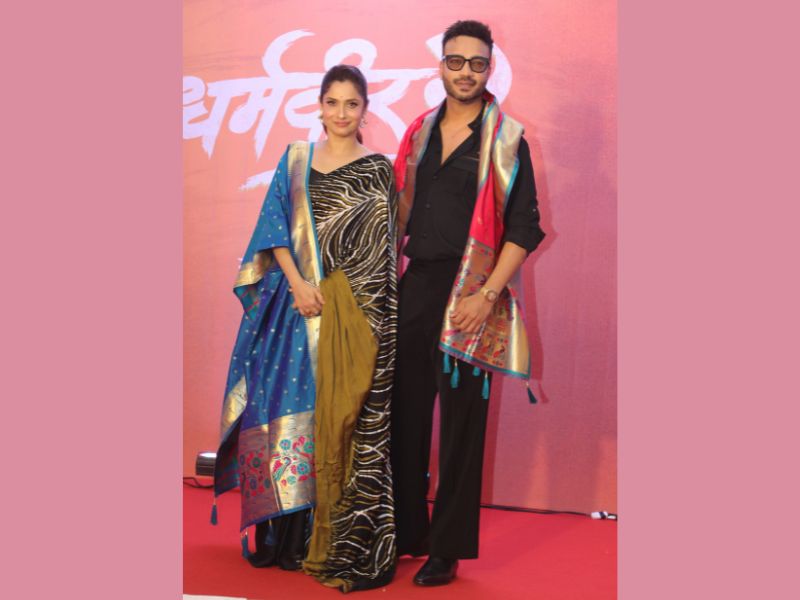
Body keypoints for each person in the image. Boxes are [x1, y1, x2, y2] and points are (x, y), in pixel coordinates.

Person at [212, 64, 398, 593]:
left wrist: (350, 310)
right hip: (294, 312)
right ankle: (280, 536)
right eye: (332, 102)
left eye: (351, 104)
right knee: (285, 413)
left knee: (331, 418)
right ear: (319, 106)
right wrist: (298, 285)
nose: (341, 113)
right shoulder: (296, 161)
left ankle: (318, 538)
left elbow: (381, 256)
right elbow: (272, 229)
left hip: (350, 318)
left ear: (365, 110)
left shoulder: (377, 170)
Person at [391, 20, 546, 586]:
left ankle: (447, 549)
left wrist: (487, 296)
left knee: (461, 428)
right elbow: (399, 212)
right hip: (417, 287)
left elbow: (524, 230)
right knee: (403, 416)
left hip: (472, 295)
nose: (465, 72)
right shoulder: (419, 132)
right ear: (441, 65)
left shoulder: (507, 141)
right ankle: (406, 532)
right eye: (455, 61)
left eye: (476, 64)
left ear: (489, 69)